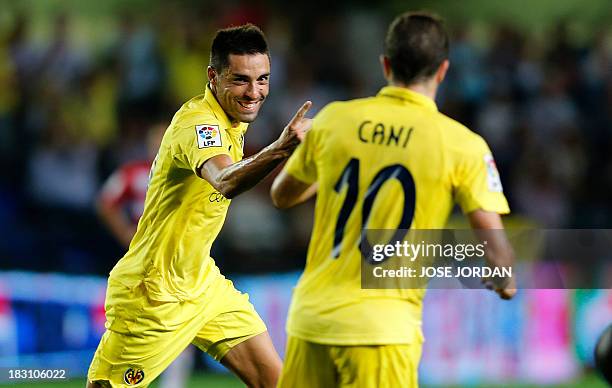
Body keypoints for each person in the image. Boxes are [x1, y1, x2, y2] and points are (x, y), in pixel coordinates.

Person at [271, 12, 516, 388]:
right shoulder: (462, 144)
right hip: (382, 330)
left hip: (311, 322)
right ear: (443, 70)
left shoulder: (333, 120)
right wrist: (502, 278)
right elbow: (495, 247)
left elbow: (281, 195)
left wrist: (333, 166)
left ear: (385, 65)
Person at [87, 23, 312, 388]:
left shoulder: (232, 118)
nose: (254, 92)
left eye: (262, 79)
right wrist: (283, 147)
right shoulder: (198, 124)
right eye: (240, 80)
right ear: (213, 76)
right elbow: (224, 181)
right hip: (153, 294)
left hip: (202, 283)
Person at [96, 122, 196, 388]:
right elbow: (106, 202)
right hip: (142, 260)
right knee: (141, 318)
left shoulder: (188, 171)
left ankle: (172, 382)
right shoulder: (133, 172)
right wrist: (126, 235)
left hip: (176, 258)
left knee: (177, 316)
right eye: (157, 140)